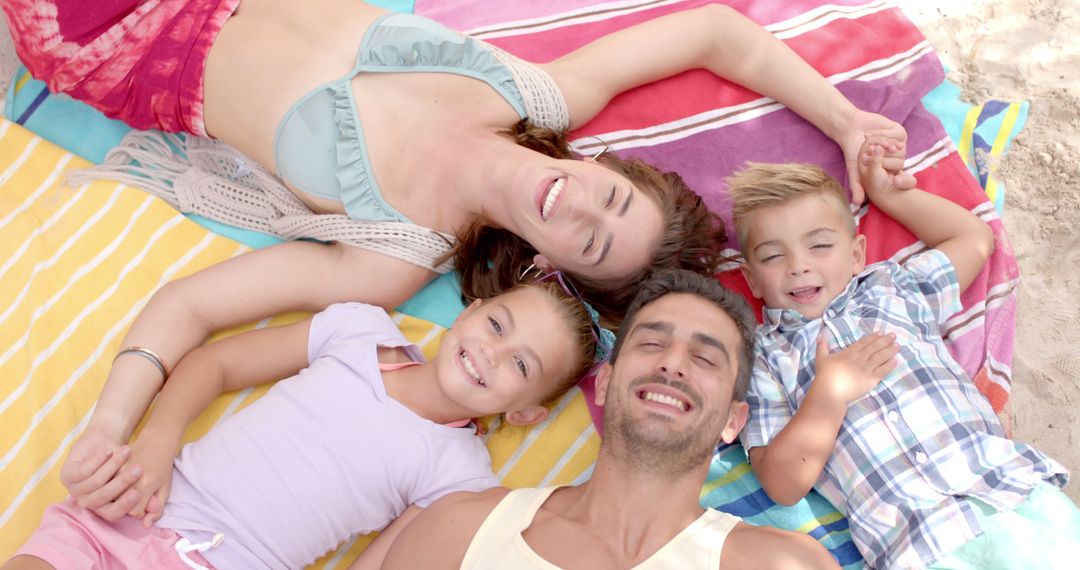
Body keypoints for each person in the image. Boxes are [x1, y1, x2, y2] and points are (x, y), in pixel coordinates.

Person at [0, 0, 906, 521]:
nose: (581, 208)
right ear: (600, 167)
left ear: (552, 263)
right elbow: (717, 32)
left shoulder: (393, 257)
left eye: (590, 241)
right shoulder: (544, 94)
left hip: (131, 36)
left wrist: (110, 428)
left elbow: (192, 306)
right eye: (612, 197)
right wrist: (845, 120)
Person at [3, 278, 603, 570]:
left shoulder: (460, 475)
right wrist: (157, 442)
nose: (491, 354)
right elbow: (216, 362)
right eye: (497, 325)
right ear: (470, 310)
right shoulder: (357, 330)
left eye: (521, 365)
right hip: (133, 507)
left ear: (526, 412)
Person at [730, 139, 1079, 569]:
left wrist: (892, 195)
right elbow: (781, 484)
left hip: (1005, 488)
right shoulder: (763, 356)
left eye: (819, 245)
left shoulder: (891, 289)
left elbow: (973, 238)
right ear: (753, 281)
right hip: (915, 540)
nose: (799, 265)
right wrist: (829, 394)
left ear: (857, 254)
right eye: (773, 256)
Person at [381, 269, 840, 569]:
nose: (673, 364)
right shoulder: (458, 529)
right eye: (652, 344)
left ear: (733, 422)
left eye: (705, 358)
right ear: (603, 383)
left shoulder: (781, 564)